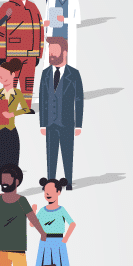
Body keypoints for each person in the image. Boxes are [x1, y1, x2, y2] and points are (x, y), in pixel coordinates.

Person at [37, 41, 84, 189]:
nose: (51, 54)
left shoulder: (74, 74)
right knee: (50, 154)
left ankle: (68, 181)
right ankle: (51, 181)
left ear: (64, 52)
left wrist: (79, 124)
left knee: (67, 152)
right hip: (50, 122)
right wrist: (42, 123)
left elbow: (79, 100)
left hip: (67, 122)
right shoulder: (45, 74)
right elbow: (42, 99)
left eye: (54, 51)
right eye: (50, 51)